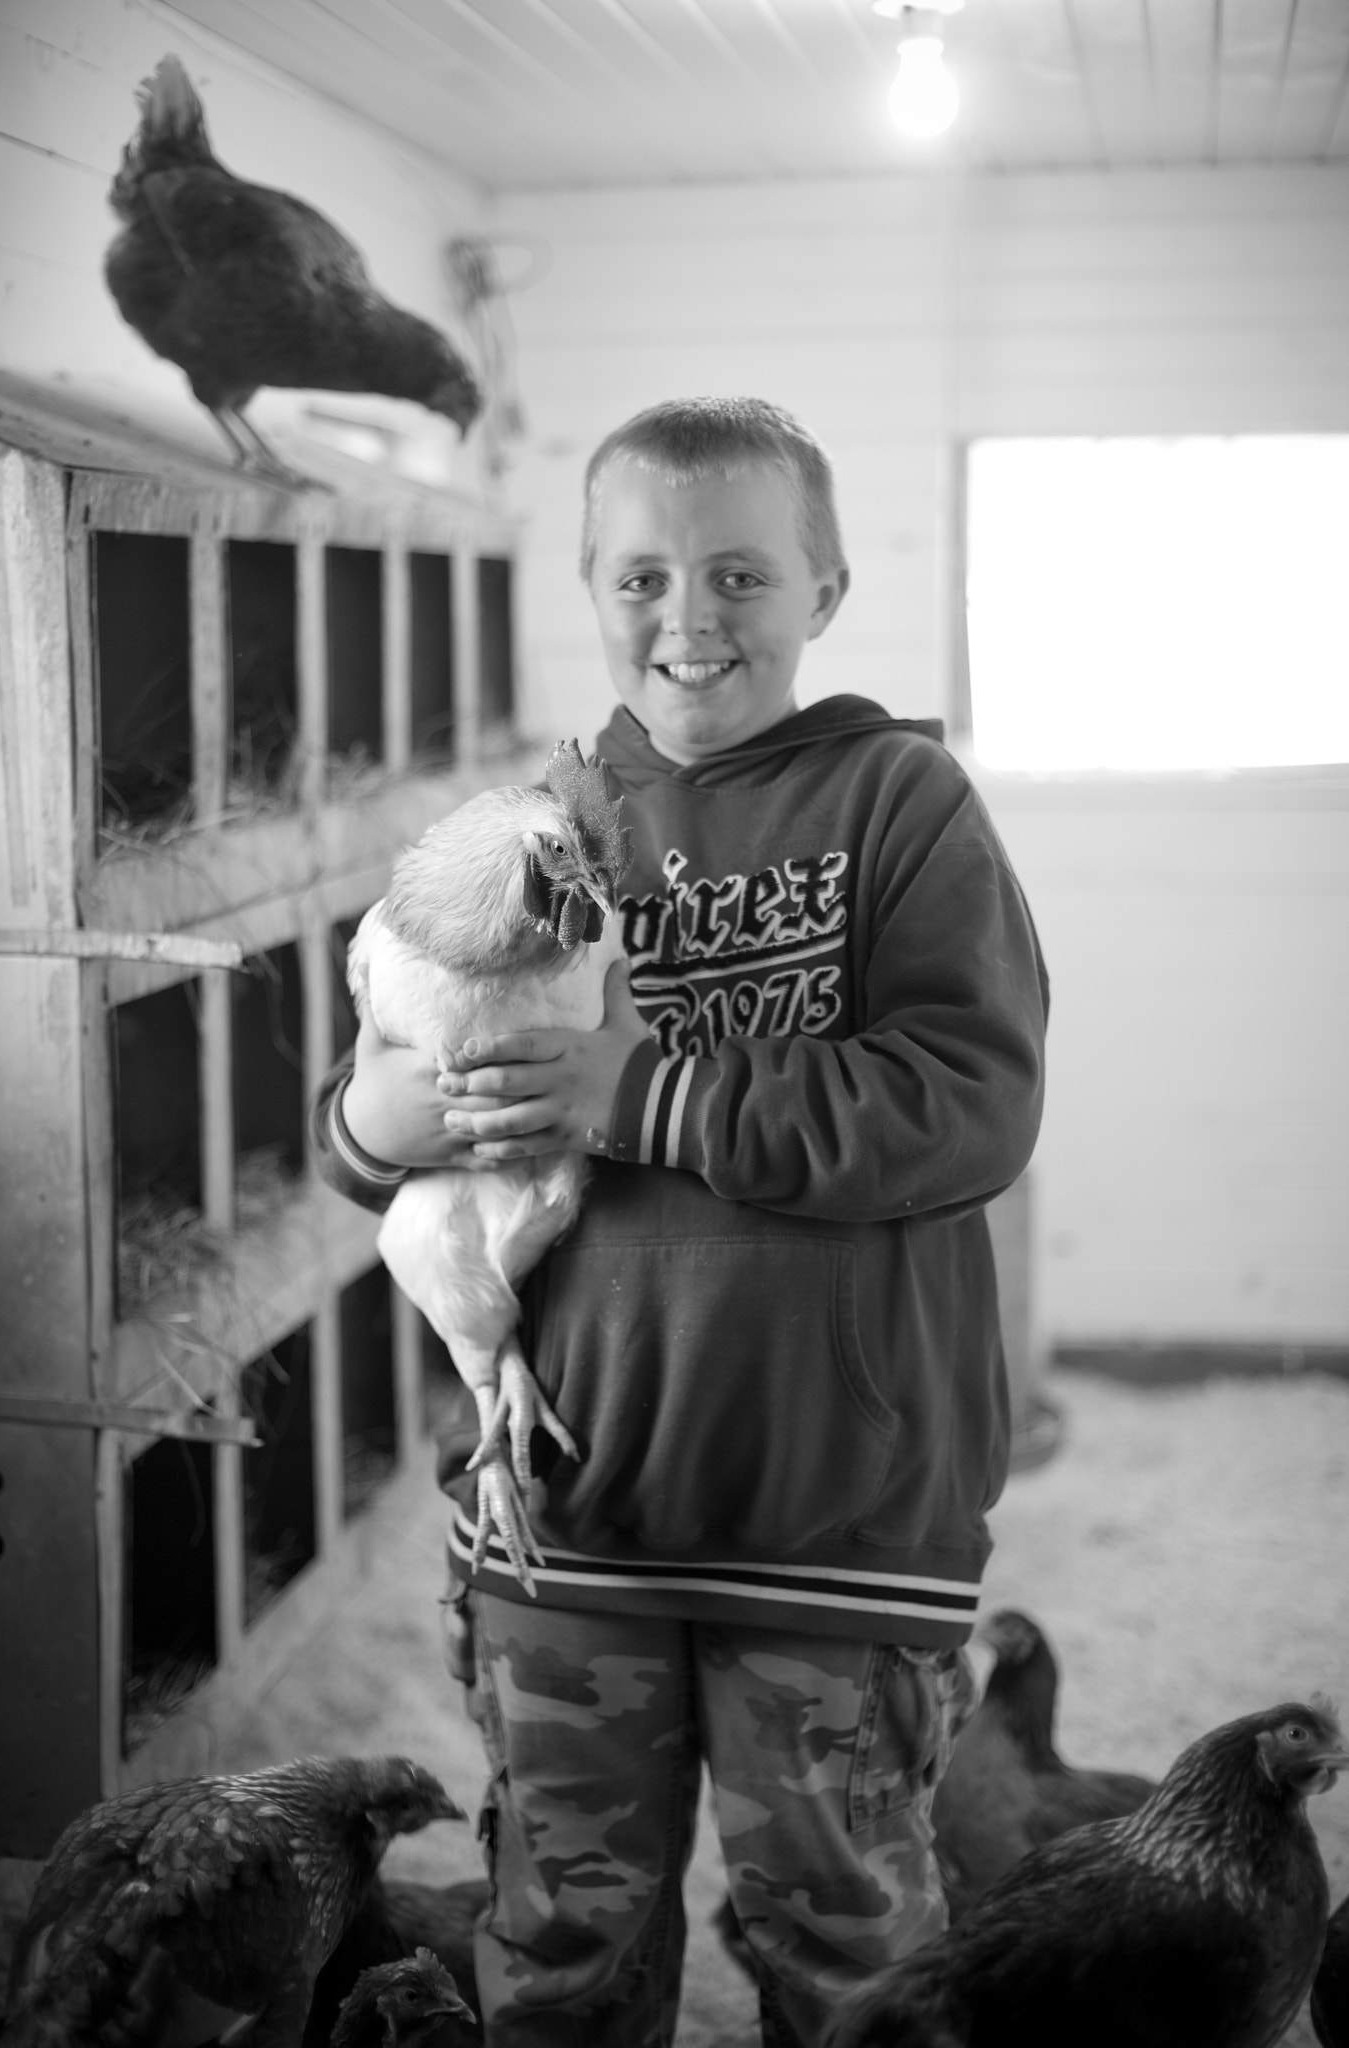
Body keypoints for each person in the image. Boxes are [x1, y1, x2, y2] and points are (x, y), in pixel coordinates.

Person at [312, 396, 1049, 2048]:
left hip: (832, 1524)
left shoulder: (900, 804)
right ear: (588, 585)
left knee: (849, 1952)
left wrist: (637, 1097)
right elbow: (378, 1142)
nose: (691, 618)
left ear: (827, 588)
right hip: (566, 1513)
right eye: (641, 577)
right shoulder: (532, 833)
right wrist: (374, 1123)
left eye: (740, 575)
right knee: (559, 1951)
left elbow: (970, 1105)